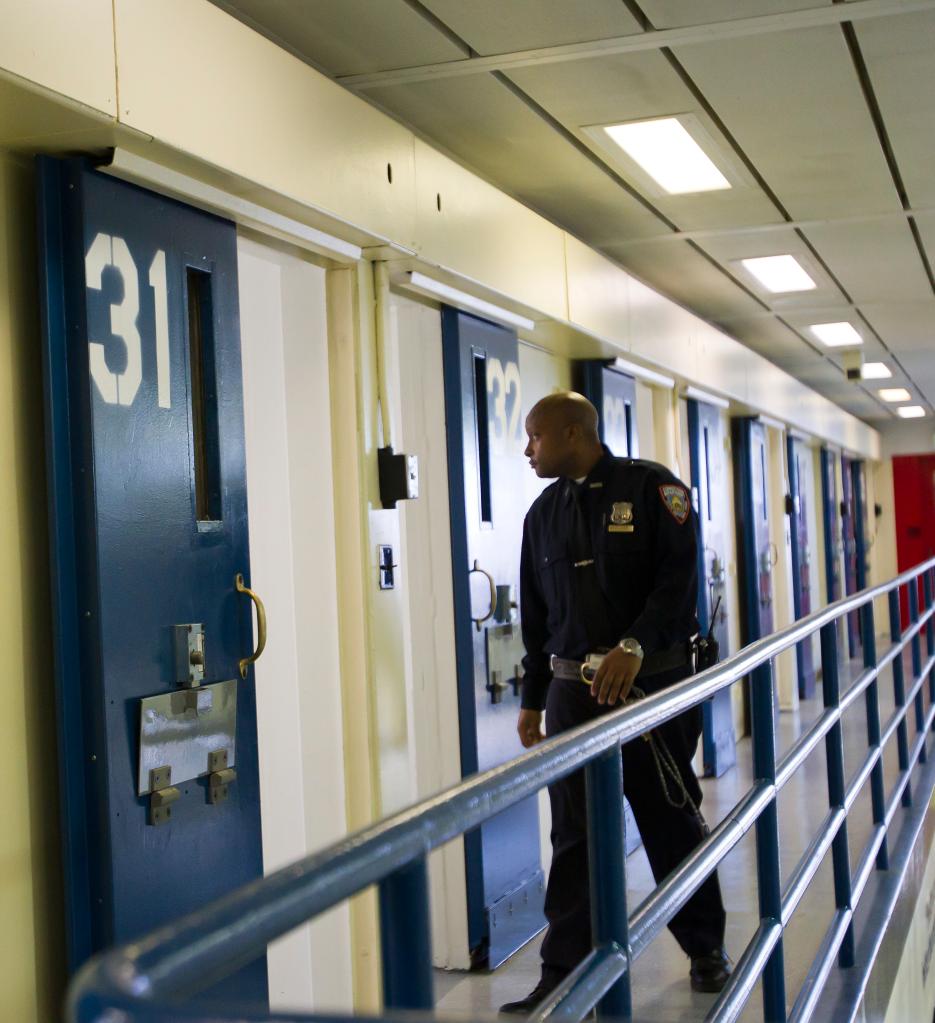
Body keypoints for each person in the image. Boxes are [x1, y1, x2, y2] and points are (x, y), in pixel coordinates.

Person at [499, 391, 730, 1015]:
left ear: (574, 433)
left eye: (535, 437)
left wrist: (635, 643)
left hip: (649, 690)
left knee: (668, 819)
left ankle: (706, 948)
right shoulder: (541, 516)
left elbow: (677, 586)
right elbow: (539, 619)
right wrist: (532, 698)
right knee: (573, 833)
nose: (527, 450)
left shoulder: (655, 491)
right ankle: (562, 973)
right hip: (575, 695)